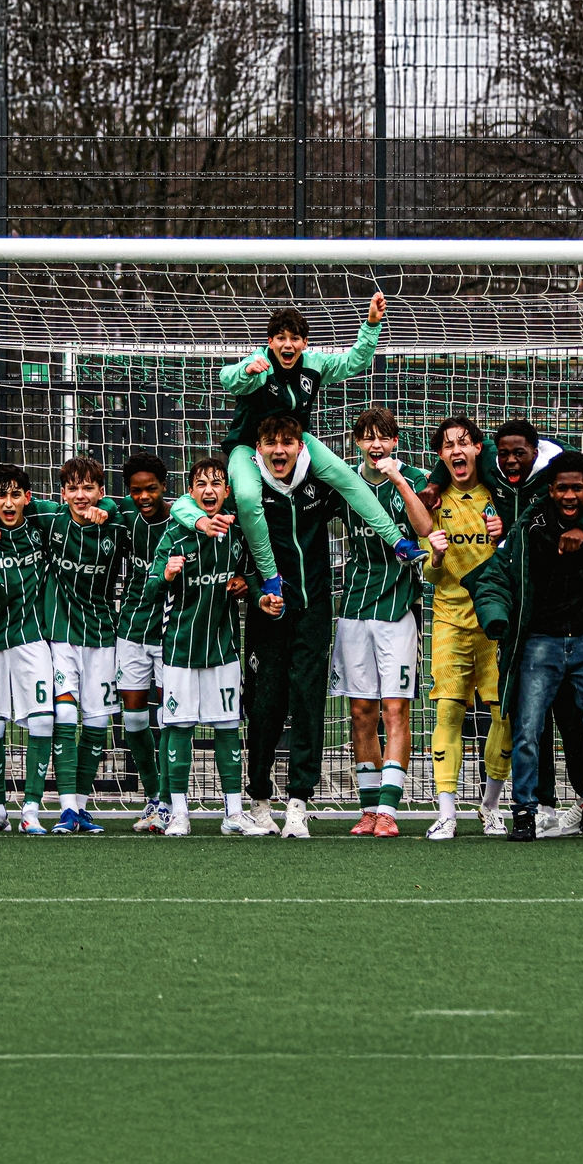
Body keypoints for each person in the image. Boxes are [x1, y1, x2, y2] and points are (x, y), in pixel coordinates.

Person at [441, 418, 583, 835]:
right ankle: (525, 811)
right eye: (561, 489)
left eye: (577, 488)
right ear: (549, 490)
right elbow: (492, 574)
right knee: (528, 727)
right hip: (539, 642)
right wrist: (495, 616)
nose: (568, 495)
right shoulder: (529, 526)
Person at [173, 413, 342, 839]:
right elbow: (188, 504)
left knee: (308, 702)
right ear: (259, 449)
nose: (279, 450)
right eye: (271, 442)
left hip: (314, 610)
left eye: (289, 442)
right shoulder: (243, 493)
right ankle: (260, 800)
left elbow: (363, 490)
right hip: (266, 614)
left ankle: (299, 803)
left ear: (301, 447)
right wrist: (252, 588)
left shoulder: (319, 485)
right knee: (264, 705)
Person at [216, 295, 422, 601]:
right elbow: (227, 378)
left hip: (298, 442)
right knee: (246, 497)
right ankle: (271, 577)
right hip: (249, 446)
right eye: (281, 339)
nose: (288, 345)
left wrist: (371, 325)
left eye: (295, 339)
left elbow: (355, 361)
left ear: (304, 343)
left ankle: (398, 542)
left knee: (345, 476)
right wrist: (246, 370)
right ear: (270, 342)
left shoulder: (314, 365)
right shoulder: (258, 364)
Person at [144, 456, 275, 836]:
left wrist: (256, 595)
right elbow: (150, 590)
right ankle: (180, 813)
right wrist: (166, 575)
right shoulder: (175, 535)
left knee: (227, 729)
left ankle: (233, 814)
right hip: (180, 650)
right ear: (190, 492)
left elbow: (251, 581)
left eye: (217, 483)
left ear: (228, 492)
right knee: (180, 728)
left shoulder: (237, 534)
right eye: (201, 483)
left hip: (223, 650)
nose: (209, 490)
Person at [333, 407, 432, 838]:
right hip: (354, 606)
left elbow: (425, 526)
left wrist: (397, 479)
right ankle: (369, 809)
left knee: (395, 710)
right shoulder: (344, 480)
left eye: (385, 437)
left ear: (396, 441)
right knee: (360, 713)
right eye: (368, 438)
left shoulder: (416, 476)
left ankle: (389, 811)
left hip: (397, 609)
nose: (377, 445)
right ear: (357, 442)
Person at [420, 416, 511, 840]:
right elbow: (430, 576)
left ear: (478, 449)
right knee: (448, 710)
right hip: (450, 619)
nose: (457, 451)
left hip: (498, 620)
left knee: (504, 713)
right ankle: (447, 812)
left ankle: (490, 805)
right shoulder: (433, 504)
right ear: (441, 456)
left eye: (464, 443)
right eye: (448, 446)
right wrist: (435, 558)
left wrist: (504, 530)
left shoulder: (501, 496)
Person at [0, 465, 55, 834]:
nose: (9, 502)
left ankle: (31, 809)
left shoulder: (40, 528)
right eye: (0, 495)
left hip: (31, 638)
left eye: (16, 494)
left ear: (27, 498)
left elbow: (70, 507)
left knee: (44, 719)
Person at [40, 457, 127, 834]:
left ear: (101, 491)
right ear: (62, 493)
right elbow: (5, 507)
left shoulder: (117, 521)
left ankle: (82, 806)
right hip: (61, 637)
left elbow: (143, 507)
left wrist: (107, 510)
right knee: (64, 717)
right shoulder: (50, 518)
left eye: (88, 488)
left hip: (102, 636)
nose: (81, 495)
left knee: (96, 721)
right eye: (73, 488)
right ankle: (66, 808)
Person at [115, 452, 175, 833]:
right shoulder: (125, 518)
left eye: (150, 488)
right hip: (131, 629)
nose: (144, 496)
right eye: (136, 491)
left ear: (164, 486)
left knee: (171, 717)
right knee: (134, 718)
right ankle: (153, 795)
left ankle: (170, 799)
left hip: (170, 631)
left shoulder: (184, 519)